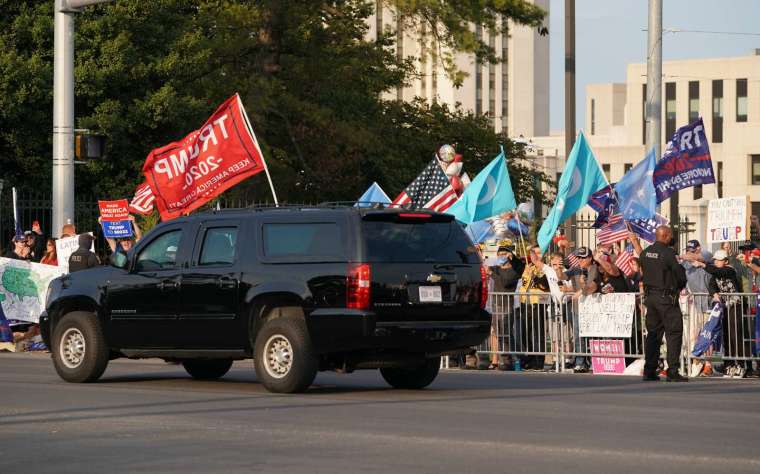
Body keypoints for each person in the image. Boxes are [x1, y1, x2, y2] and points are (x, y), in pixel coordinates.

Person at [639, 225, 688, 382]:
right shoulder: (668, 253)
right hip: (666, 299)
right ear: (666, 236)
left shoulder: (645, 253)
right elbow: (680, 275)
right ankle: (672, 371)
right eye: (670, 235)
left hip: (651, 298)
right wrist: (679, 287)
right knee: (673, 333)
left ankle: (649, 370)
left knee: (653, 335)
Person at [691, 249, 750, 377]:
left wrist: (702, 264)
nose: (717, 262)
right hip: (725, 307)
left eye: (719, 260)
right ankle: (728, 364)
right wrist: (714, 293)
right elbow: (711, 285)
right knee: (727, 336)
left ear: (726, 261)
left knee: (736, 335)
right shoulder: (715, 274)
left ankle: (740, 364)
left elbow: (718, 271)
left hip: (736, 306)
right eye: (716, 260)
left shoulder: (730, 270)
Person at [487, 245, 525, 370]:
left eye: (503, 254)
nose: (500, 257)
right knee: (499, 334)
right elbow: (484, 267)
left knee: (505, 334)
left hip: (507, 305)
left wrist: (513, 258)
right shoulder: (496, 268)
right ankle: (514, 357)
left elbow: (505, 282)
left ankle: (507, 360)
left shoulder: (513, 271)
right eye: (499, 254)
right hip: (495, 305)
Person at [517, 245, 552, 370]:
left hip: (539, 302)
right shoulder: (528, 267)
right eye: (534, 253)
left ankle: (539, 360)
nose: (535, 256)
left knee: (538, 333)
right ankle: (530, 358)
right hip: (526, 302)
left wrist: (535, 276)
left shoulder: (546, 268)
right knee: (526, 332)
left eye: (538, 253)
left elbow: (544, 285)